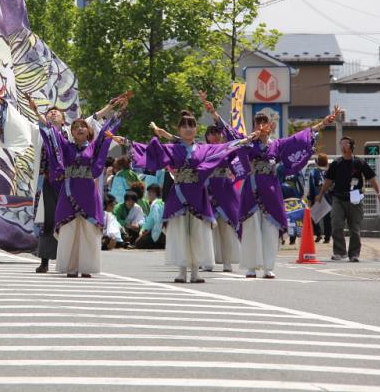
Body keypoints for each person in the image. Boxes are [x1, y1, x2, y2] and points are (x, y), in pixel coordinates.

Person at [128, 112, 252, 283]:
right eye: (184, 126)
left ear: (196, 129)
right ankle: (181, 270)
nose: (188, 129)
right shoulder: (173, 148)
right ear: (179, 129)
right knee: (180, 232)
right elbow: (151, 151)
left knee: (197, 232)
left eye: (191, 125)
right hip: (179, 194)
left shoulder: (204, 148)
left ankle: (195, 271)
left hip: (198, 194)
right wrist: (128, 143)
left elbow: (226, 147)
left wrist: (244, 141)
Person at [224, 107, 339, 279]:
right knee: (252, 227)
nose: (262, 127)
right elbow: (231, 138)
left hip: (271, 190)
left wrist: (323, 124)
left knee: (270, 228)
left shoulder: (277, 145)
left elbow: (298, 138)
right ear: (255, 126)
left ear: (270, 126)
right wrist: (215, 114)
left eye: (265, 123)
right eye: (258, 124)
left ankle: (268, 266)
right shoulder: (248, 143)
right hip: (252, 189)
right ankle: (251, 266)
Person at [24, 94, 126, 274]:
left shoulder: (93, 146)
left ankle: (86, 267)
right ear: (70, 132)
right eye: (76, 127)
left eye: (82, 126)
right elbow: (49, 130)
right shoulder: (65, 145)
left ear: (88, 131)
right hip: (68, 191)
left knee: (88, 229)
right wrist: (35, 111)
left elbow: (106, 133)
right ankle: (70, 266)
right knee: (69, 228)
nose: (79, 128)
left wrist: (119, 112)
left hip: (88, 192)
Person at [315, 136, 380, 262]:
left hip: (355, 199)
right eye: (341, 144)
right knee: (336, 225)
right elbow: (328, 180)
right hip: (338, 198)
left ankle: (354, 254)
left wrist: (379, 192)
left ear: (352, 146)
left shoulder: (359, 163)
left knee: (355, 228)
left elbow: (371, 178)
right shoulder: (336, 164)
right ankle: (339, 252)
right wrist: (320, 194)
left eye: (346, 144)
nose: (343, 146)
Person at [202, 118, 243, 273]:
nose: (215, 135)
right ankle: (208, 261)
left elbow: (239, 154)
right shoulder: (202, 150)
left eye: (217, 132)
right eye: (211, 133)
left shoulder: (227, 149)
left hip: (225, 190)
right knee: (208, 228)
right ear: (207, 136)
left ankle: (227, 262)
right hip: (208, 190)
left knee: (226, 228)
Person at [308, 153, 332, 244]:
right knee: (327, 218)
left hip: (317, 196)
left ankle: (318, 234)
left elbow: (311, 186)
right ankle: (327, 237)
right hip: (329, 197)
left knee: (314, 216)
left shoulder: (313, 172)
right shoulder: (330, 171)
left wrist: (310, 198)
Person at [134, 183, 165, 249]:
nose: (147, 196)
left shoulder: (155, 204)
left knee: (138, 243)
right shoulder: (163, 202)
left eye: (148, 193)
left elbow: (151, 222)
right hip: (165, 232)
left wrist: (143, 231)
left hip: (158, 233)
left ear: (153, 193)